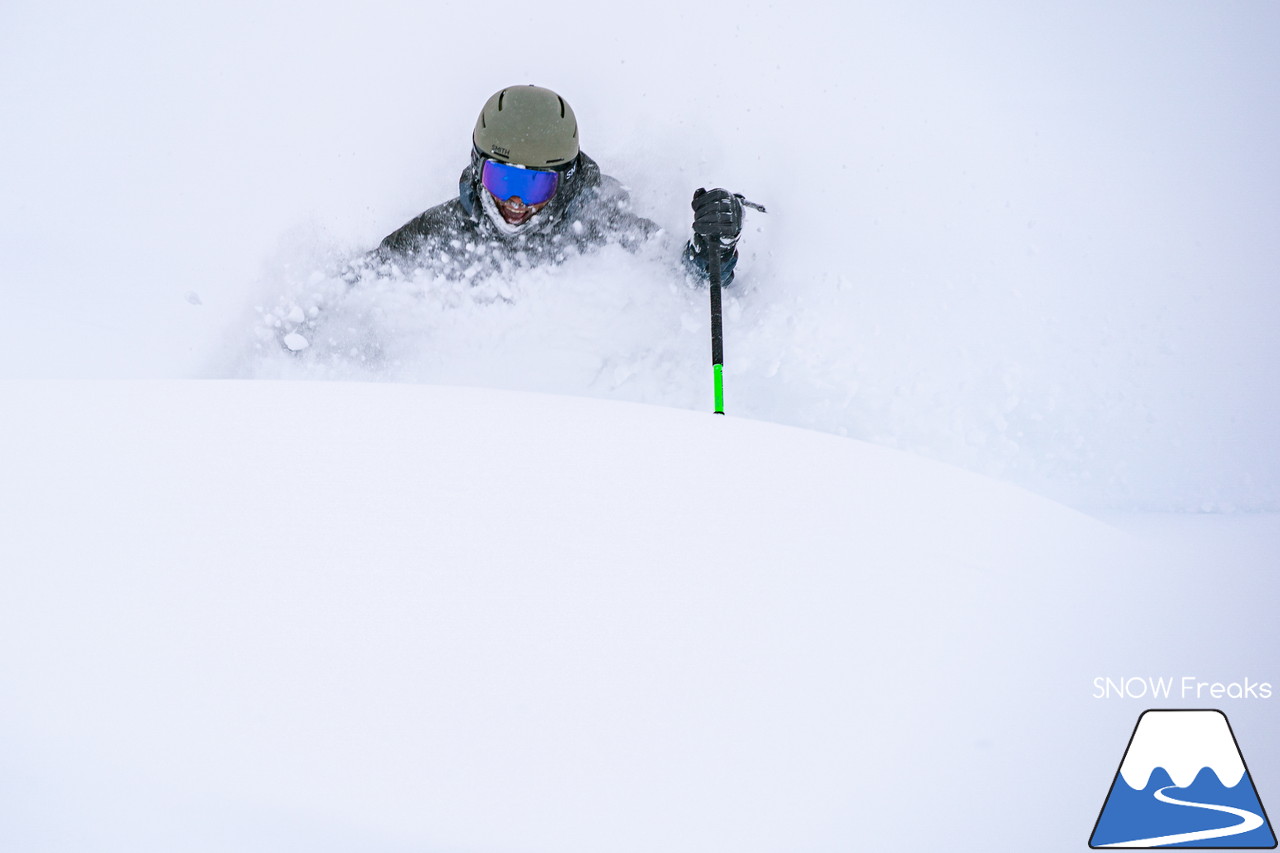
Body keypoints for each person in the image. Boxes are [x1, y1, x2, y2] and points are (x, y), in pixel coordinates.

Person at [373, 84, 751, 286]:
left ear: (565, 181)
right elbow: (357, 290)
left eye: (537, 185)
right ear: (477, 169)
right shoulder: (438, 236)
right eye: (503, 180)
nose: (517, 202)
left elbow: (687, 279)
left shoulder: (601, 230)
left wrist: (711, 250)